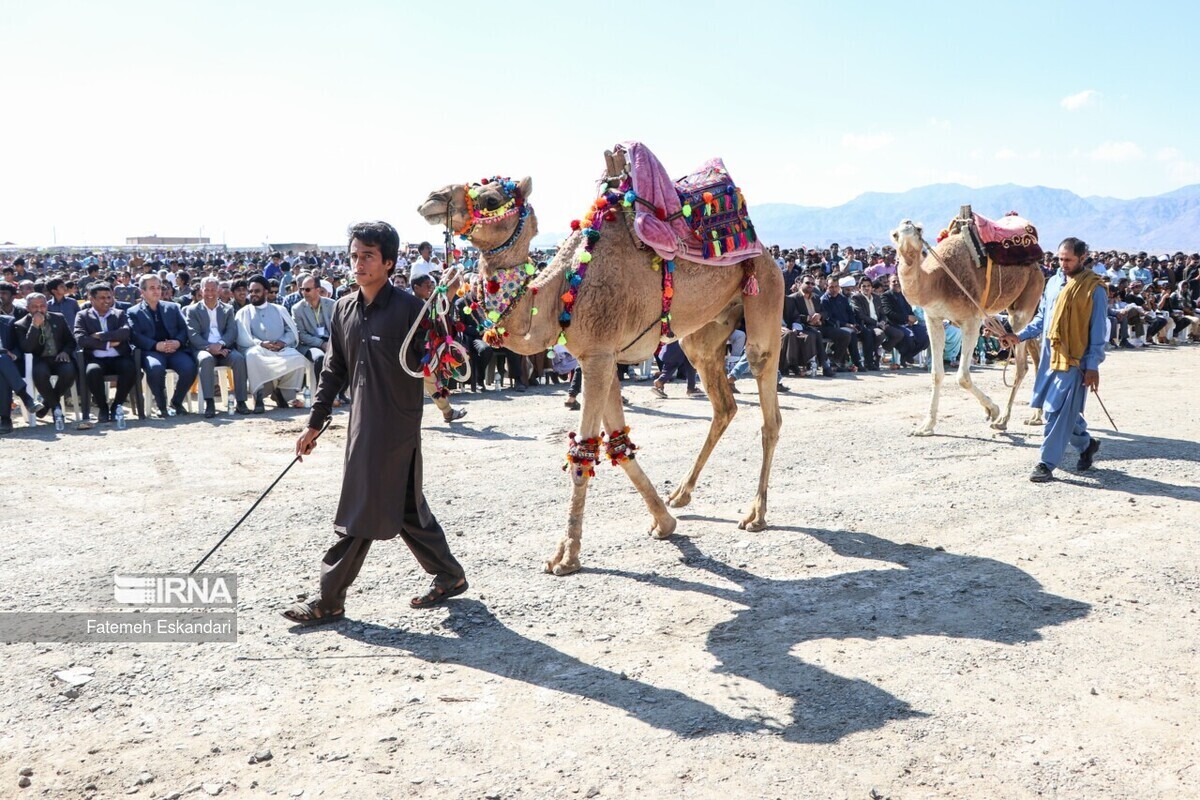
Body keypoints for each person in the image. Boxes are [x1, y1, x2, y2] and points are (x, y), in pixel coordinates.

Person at [283, 221, 467, 626]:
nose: (358, 263)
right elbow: (333, 371)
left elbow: (439, 361)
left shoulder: (411, 310)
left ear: (388, 262)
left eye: (368, 256)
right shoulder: (344, 309)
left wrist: (442, 317)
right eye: (354, 255)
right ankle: (450, 576)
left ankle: (329, 599)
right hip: (362, 424)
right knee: (404, 508)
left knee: (362, 508)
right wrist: (313, 423)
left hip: (396, 427)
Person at [1002, 238, 1106, 482]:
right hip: (1050, 358)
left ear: (1083, 258)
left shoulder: (1094, 289)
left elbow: (1099, 332)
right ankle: (1086, 444)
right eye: (1060, 258)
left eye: (1068, 259)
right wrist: (1018, 336)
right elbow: (1041, 320)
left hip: (1075, 361)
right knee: (1062, 409)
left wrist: (1092, 366)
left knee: (1054, 413)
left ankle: (1045, 463)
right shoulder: (1053, 283)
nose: (1063, 263)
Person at [128, 275, 198, 417]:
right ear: (142, 291)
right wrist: (155, 345)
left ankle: (176, 402)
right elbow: (134, 335)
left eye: (159, 287)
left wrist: (178, 342)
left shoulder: (172, 307)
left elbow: (184, 329)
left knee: (190, 367)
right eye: (152, 288)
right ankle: (161, 405)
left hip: (173, 349)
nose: (157, 291)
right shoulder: (133, 312)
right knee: (155, 369)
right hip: (151, 351)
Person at [235, 274, 307, 413]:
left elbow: (291, 331)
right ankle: (259, 396)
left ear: (266, 292)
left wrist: (282, 342)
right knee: (252, 355)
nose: (253, 295)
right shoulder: (244, 312)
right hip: (258, 349)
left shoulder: (279, 310)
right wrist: (261, 344)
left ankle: (282, 392)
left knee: (298, 358)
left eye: (257, 291)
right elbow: (244, 336)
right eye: (251, 292)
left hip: (280, 348)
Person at [186, 276, 249, 417]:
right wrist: (210, 347)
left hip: (224, 348)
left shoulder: (228, 309)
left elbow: (231, 331)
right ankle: (209, 402)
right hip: (204, 349)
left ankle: (241, 401)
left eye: (213, 289)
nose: (210, 293)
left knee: (238, 359)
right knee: (206, 360)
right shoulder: (193, 310)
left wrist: (220, 345)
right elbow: (193, 335)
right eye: (206, 289)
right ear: (201, 291)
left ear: (218, 290)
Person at [74, 283, 137, 424]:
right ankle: (103, 408)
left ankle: (117, 405)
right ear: (92, 299)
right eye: (102, 298)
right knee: (92, 371)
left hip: (118, 357)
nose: (106, 301)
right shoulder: (83, 315)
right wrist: (109, 343)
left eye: (109, 297)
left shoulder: (119, 314)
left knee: (130, 368)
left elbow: (125, 332)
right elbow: (81, 339)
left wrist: (101, 336)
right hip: (96, 359)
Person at [410, 274, 467, 422]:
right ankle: (446, 411)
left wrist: (452, 274)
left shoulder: (432, 302)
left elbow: (453, 287)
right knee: (426, 382)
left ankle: (447, 411)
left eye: (431, 284)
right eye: (426, 285)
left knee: (430, 381)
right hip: (412, 350)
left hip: (427, 350)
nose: (430, 287)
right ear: (416, 288)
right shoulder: (409, 304)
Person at [15, 293, 76, 423]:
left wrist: (65, 351)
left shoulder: (58, 318)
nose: (39, 309)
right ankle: (56, 407)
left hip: (58, 357)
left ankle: (47, 403)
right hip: (39, 359)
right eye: (34, 307)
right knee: (40, 373)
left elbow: (71, 341)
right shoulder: (21, 325)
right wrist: (35, 326)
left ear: (47, 305)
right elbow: (27, 348)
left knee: (69, 371)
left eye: (42, 306)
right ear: (28, 308)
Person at [881, 274, 929, 365]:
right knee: (909, 336)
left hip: (908, 324)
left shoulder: (903, 295)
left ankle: (908, 355)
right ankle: (906, 355)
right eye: (894, 281)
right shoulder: (885, 296)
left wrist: (912, 318)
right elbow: (888, 313)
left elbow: (909, 310)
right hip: (894, 324)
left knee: (927, 334)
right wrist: (907, 318)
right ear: (889, 283)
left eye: (898, 281)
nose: (896, 283)